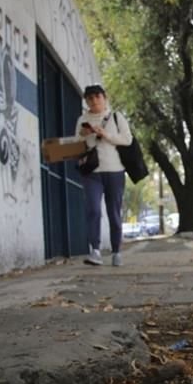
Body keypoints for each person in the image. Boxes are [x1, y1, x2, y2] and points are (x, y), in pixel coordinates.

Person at [76, 84, 133, 266]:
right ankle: (95, 251)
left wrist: (105, 134)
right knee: (93, 209)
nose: (94, 101)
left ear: (104, 98)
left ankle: (117, 252)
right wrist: (83, 135)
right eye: (90, 98)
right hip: (92, 172)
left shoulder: (116, 117)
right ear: (86, 101)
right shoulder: (82, 119)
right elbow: (77, 144)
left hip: (115, 171)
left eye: (97, 97)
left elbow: (127, 140)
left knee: (114, 213)